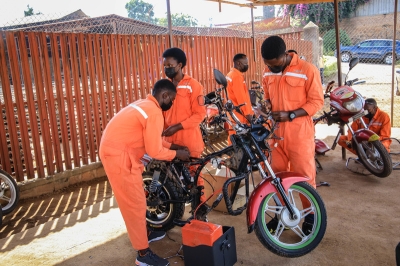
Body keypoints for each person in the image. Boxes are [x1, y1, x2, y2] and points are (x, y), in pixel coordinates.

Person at [99, 79, 190, 266]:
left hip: (118, 150)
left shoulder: (146, 105)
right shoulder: (154, 112)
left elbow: (153, 141)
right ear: (164, 95)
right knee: (135, 203)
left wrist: (175, 146)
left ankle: (145, 233)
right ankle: (142, 254)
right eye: (171, 99)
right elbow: (156, 151)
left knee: (138, 198)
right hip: (118, 156)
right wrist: (176, 154)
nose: (171, 103)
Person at [260, 36, 324, 235]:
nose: (271, 68)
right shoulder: (268, 72)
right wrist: (267, 104)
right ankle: (282, 214)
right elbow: (267, 95)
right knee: (276, 177)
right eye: (268, 65)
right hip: (275, 134)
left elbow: (317, 102)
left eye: (275, 64)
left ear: (285, 55)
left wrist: (291, 114)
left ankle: (310, 216)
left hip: (299, 133)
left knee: (304, 178)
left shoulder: (307, 70)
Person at [161, 48, 207, 206]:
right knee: (170, 178)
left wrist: (177, 127)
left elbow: (199, 114)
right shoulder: (163, 86)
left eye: (170, 65)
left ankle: (199, 209)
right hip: (168, 142)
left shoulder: (193, 85)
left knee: (194, 179)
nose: (167, 68)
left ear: (180, 65)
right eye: (165, 65)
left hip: (189, 141)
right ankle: (175, 210)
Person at [225, 53, 254, 143]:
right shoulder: (236, 77)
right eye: (245, 64)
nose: (247, 66)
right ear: (238, 63)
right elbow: (241, 99)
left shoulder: (230, 74)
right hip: (240, 115)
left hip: (233, 113)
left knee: (233, 137)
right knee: (240, 142)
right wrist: (248, 115)